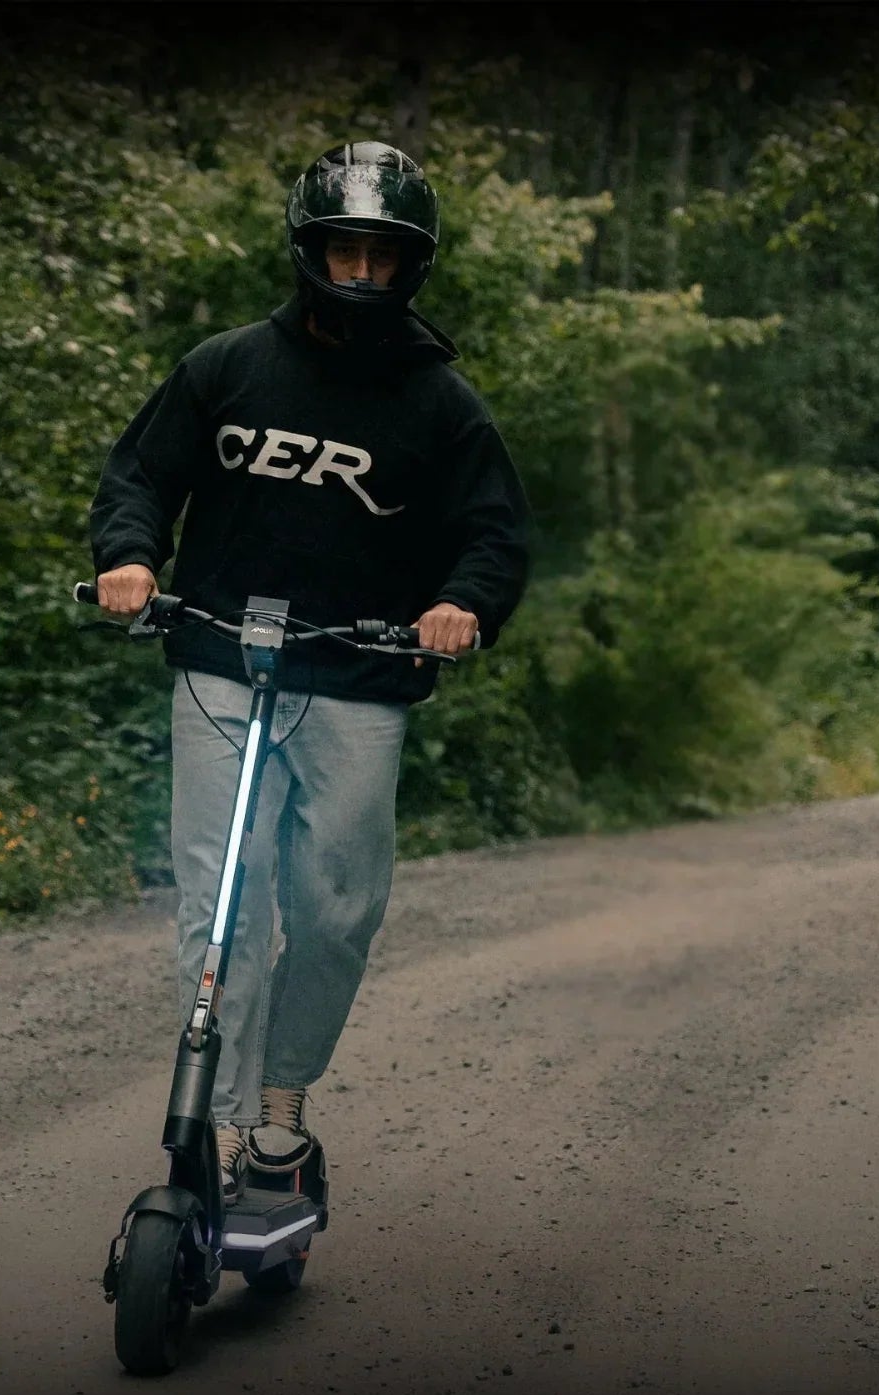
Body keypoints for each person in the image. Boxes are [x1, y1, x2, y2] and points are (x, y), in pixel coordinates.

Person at [84, 140, 533, 1199]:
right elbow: (141, 475)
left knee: (335, 910)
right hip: (219, 662)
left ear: (410, 264)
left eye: (382, 255)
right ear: (309, 250)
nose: (361, 273)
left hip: (359, 678)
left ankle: (282, 1100)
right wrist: (131, 557)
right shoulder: (226, 367)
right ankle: (224, 1124)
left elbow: (493, 533)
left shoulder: (440, 404)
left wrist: (462, 605)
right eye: (345, 252)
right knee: (222, 903)